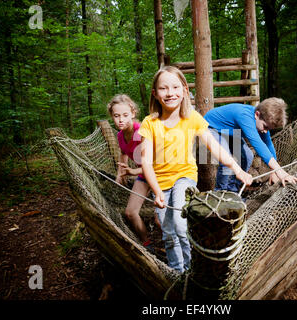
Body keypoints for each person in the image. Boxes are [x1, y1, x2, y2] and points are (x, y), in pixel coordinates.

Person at [138, 66, 253, 273]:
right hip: (160, 183)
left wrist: (236, 168)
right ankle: (177, 271)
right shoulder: (150, 123)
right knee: (168, 232)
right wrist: (155, 191)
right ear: (155, 93)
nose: (170, 93)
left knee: (180, 225)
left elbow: (214, 145)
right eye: (163, 88)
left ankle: (191, 269)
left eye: (175, 87)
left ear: (184, 90)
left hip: (185, 178)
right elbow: (145, 161)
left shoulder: (192, 118)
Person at [204, 98, 297, 193]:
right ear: (257, 114)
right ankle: (221, 192)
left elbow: (268, 144)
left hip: (231, 132)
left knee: (247, 156)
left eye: (269, 129)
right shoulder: (244, 116)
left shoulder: (262, 121)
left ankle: (232, 190)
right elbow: (258, 145)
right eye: (265, 127)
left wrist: (274, 171)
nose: (265, 131)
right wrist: (281, 172)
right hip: (212, 128)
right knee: (227, 160)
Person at [107, 94, 156, 252]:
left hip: (160, 173)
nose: (120, 120)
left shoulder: (140, 131)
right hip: (144, 175)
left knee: (161, 221)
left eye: (125, 115)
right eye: (116, 116)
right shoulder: (120, 135)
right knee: (130, 212)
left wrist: (133, 171)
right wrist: (120, 172)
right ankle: (147, 246)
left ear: (133, 113)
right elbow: (123, 152)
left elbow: (155, 163)